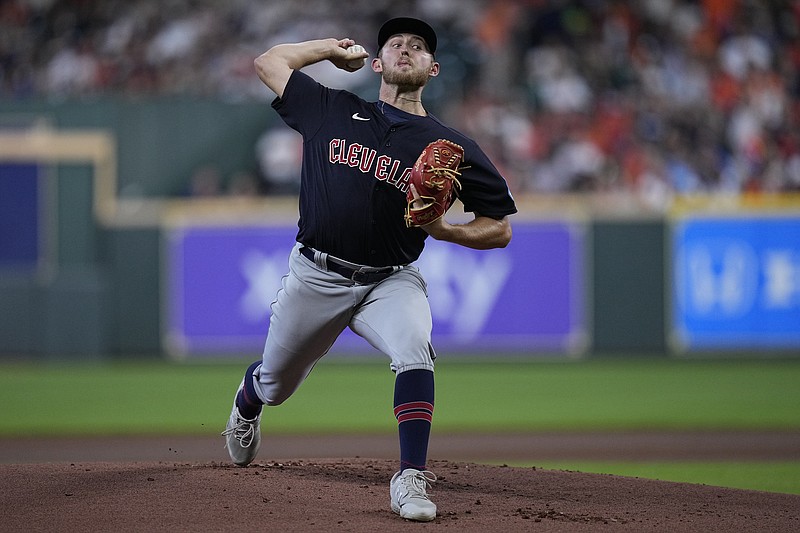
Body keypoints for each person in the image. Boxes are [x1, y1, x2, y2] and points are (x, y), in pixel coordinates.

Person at [222, 17, 517, 522]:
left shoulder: (450, 146)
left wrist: (448, 232)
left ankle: (410, 476)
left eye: (419, 46)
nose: (407, 50)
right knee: (276, 385)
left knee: (415, 350)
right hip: (317, 274)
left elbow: (500, 227)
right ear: (377, 63)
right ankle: (248, 404)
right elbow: (268, 62)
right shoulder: (331, 108)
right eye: (396, 44)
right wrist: (327, 51)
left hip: (390, 277)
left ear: (433, 68)